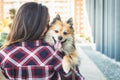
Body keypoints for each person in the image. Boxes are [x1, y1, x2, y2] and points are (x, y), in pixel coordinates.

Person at [0, 2, 84, 80]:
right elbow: (77, 78)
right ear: (40, 26)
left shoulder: (4, 54)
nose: (48, 27)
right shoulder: (53, 52)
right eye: (47, 23)